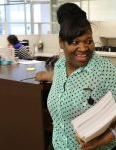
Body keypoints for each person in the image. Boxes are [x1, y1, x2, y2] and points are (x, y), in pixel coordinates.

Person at [46, 3, 116, 150]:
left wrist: (100, 141)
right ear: (61, 42)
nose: (84, 48)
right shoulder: (59, 66)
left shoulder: (104, 70)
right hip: (58, 145)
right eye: (75, 42)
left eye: (88, 41)